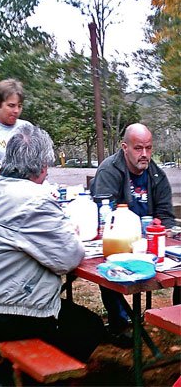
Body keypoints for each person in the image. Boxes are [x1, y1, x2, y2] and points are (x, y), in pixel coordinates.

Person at [0, 125, 105, 366]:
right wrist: (71, 231)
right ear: (44, 167)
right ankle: (27, 378)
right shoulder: (34, 199)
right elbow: (69, 257)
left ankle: (15, 371)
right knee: (87, 326)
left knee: (67, 316)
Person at [90, 123, 176, 347]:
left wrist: (162, 227)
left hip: (150, 243)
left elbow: (166, 215)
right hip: (118, 241)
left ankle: (176, 321)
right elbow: (103, 214)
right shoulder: (110, 170)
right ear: (124, 147)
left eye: (149, 148)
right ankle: (119, 324)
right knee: (107, 268)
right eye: (139, 148)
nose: (145, 154)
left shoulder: (156, 174)